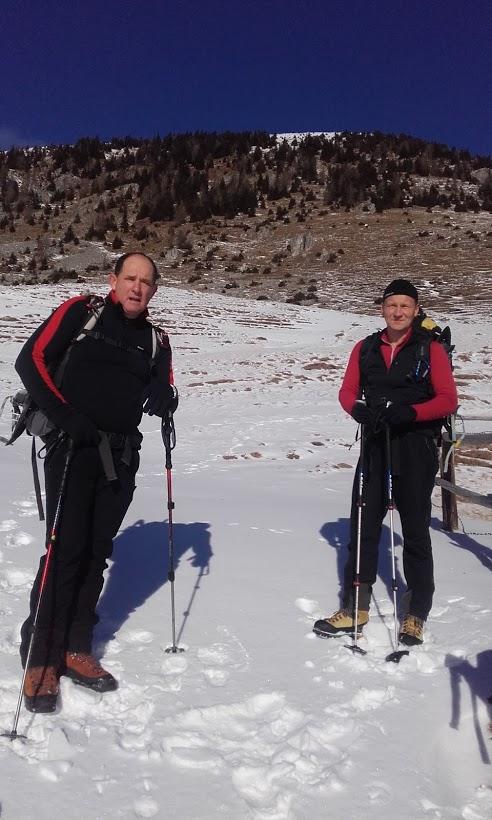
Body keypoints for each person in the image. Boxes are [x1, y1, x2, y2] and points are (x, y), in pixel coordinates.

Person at [15, 252, 177, 712]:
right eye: (130, 278)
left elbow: (164, 390)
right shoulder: (81, 312)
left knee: (96, 552)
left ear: (154, 289)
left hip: (120, 457)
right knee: (64, 549)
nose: (137, 287)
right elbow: (30, 361)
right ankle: (41, 654)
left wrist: (165, 396)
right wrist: (67, 418)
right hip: (71, 448)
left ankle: (76, 646)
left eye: (146, 281)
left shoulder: (156, 340)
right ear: (113, 280)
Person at [313, 278, 458, 646]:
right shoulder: (365, 348)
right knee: (363, 528)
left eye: (405, 305)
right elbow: (347, 391)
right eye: (392, 305)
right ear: (382, 308)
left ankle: (415, 613)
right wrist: (356, 408)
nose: (398, 312)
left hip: (415, 447)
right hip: (375, 445)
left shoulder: (430, 349)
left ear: (416, 310)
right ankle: (355, 608)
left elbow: (447, 399)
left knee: (415, 531)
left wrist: (411, 412)